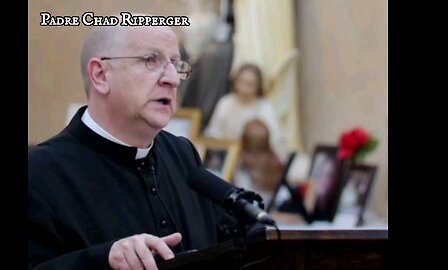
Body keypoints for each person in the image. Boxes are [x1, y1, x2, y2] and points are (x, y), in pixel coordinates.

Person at [28, 22, 244, 270]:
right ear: (100, 75)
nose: (173, 80)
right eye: (151, 60)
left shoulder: (183, 156)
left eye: (176, 64)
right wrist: (104, 259)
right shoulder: (39, 172)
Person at [203, 63, 286, 164]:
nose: (244, 88)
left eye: (250, 84)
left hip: (255, 164)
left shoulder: (266, 108)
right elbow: (214, 133)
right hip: (226, 160)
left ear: (258, 86)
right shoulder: (226, 103)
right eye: (241, 82)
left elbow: (276, 141)